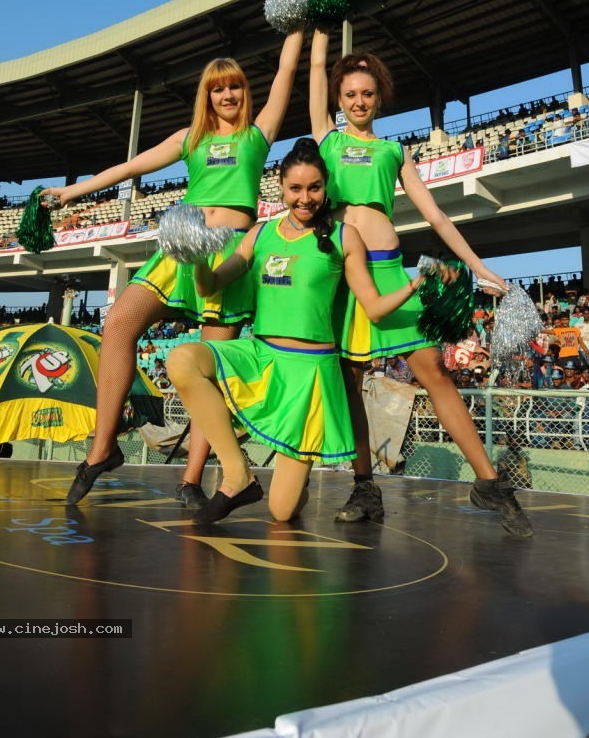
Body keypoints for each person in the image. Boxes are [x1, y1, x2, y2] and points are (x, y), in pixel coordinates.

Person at [43, 28, 306, 506]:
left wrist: (297, 23)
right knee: (119, 322)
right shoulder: (191, 138)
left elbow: (287, 69)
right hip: (179, 249)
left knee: (210, 370)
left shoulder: (258, 134)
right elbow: (131, 167)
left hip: (228, 254)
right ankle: (102, 449)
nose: (227, 94)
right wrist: (71, 192)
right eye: (217, 88)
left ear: (247, 92)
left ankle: (191, 479)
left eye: (235, 86)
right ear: (206, 96)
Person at [309, 28, 533, 537]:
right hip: (341, 276)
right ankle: (365, 488)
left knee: (434, 370)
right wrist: (319, 30)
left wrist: (476, 265)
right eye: (350, 94)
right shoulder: (327, 138)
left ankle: (489, 482)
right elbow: (316, 75)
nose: (359, 101)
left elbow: (436, 216)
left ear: (379, 97)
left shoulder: (394, 150)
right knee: (349, 384)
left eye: (367, 93)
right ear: (337, 99)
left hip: (389, 268)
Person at [166, 138, 443, 524]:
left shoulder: (345, 236)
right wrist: (195, 257)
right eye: (295, 188)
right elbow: (209, 286)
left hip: (310, 377)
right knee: (181, 359)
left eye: (314, 187)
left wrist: (416, 283)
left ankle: (294, 479)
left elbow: (375, 310)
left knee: (281, 513)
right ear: (280, 185)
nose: (305, 197)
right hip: (261, 358)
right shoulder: (260, 235)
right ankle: (237, 474)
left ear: (325, 187)